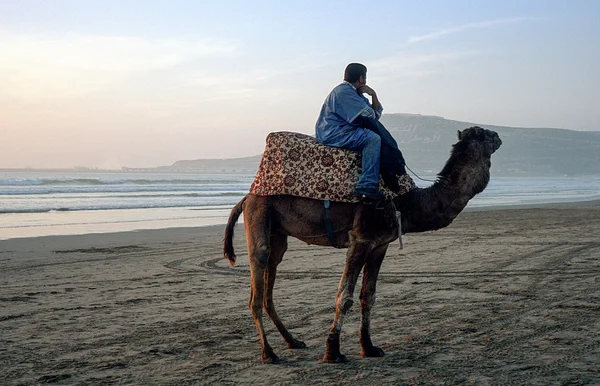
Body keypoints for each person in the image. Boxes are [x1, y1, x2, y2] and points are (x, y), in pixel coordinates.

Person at [315, 63, 405, 201]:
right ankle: (367, 184)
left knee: (372, 134)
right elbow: (371, 115)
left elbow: (375, 114)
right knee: (372, 139)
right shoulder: (344, 93)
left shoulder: (353, 93)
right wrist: (372, 95)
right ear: (362, 78)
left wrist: (373, 95)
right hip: (334, 132)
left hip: (342, 129)